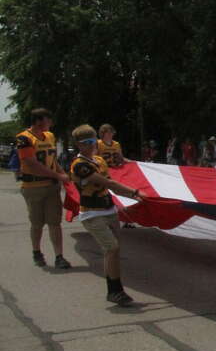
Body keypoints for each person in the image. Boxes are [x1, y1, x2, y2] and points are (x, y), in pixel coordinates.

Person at [68, 125, 144, 306]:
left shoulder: (99, 160)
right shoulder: (79, 165)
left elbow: (109, 185)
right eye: (86, 142)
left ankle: (114, 288)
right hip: (92, 213)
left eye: (92, 141)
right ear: (78, 144)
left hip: (108, 210)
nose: (90, 145)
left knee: (113, 250)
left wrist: (126, 203)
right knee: (112, 248)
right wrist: (134, 192)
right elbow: (107, 183)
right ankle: (115, 290)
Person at [16, 108, 71, 268]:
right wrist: (58, 176)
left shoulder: (50, 136)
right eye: (48, 120)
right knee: (37, 223)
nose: (51, 123)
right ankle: (37, 252)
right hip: (33, 187)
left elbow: (53, 160)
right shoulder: (24, 138)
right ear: (39, 121)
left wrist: (63, 174)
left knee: (55, 222)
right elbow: (32, 164)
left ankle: (59, 256)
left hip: (51, 186)